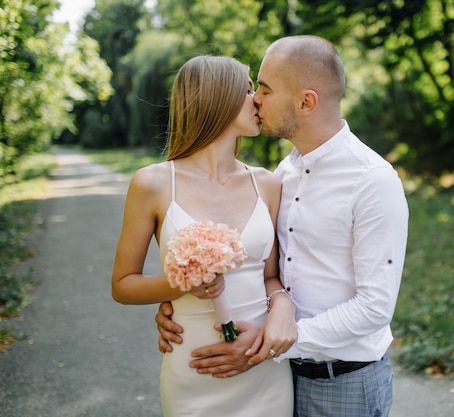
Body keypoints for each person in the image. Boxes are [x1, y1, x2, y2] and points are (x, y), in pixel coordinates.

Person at [157, 36, 409, 416]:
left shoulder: (372, 180)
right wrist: (180, 303)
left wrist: (269, 343)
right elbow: (262, 269)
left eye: (265, 89)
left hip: (343, 384)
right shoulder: (283, 174)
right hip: (280, 378)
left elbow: (374, 308)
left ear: (306, 102)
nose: (255, 98)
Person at [111, 55, 296, 417]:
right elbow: (122, 285)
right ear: (217, 98)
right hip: (193, 370)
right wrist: (182, 285)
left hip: (262, 367)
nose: (258, 99)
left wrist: (283, 304)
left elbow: (270, 277)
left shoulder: (269, 184)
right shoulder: (153, 183)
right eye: (247, 90)